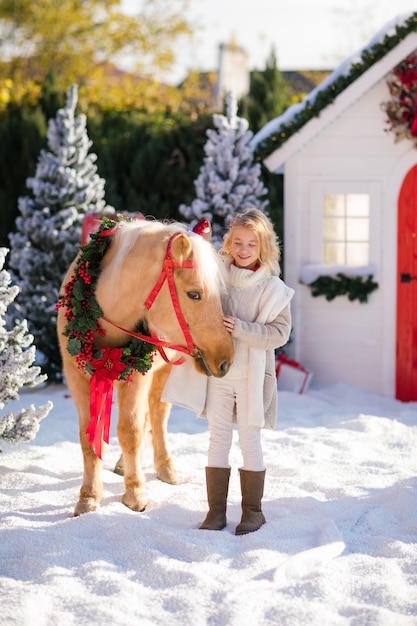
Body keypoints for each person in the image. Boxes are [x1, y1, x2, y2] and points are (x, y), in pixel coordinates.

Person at [162, 209, 294, 535]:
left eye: (252, 244)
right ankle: (216, 512)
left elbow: (280, 333)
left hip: (251, 378)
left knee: (250, 440)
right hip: (219, 376)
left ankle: (253, 512)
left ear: (264, 247)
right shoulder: (218, 275)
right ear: (229, 243)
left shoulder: (272, 288)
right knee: (217, 439)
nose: (244, 249)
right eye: (238, 242)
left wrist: (243, 329)